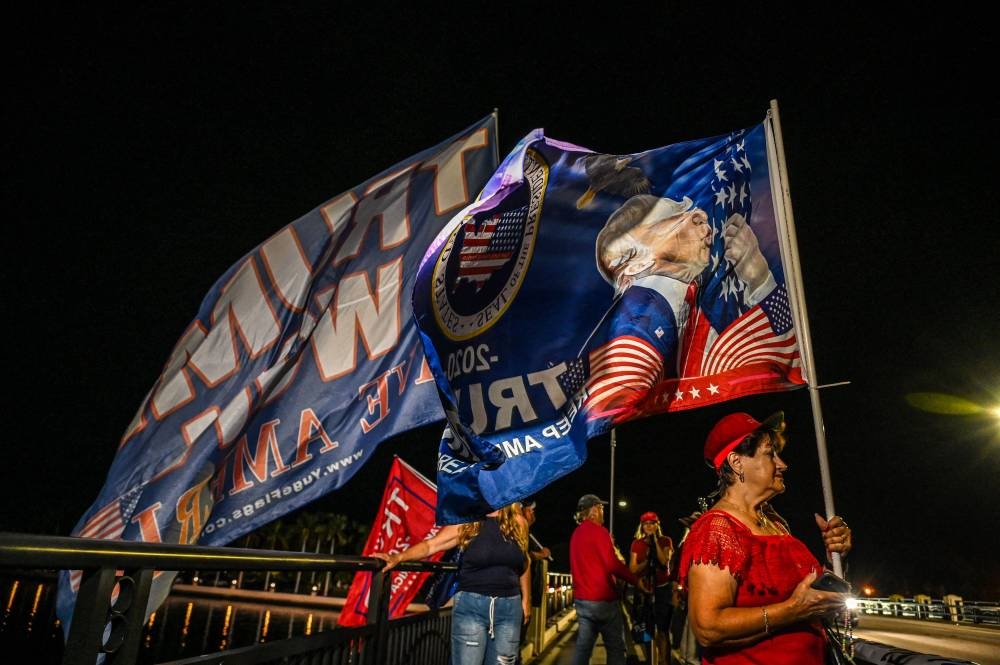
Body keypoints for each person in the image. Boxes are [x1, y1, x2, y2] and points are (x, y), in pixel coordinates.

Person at [677, 411, 853, 664]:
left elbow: (807, 598)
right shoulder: (718, 529)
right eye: (770, 454)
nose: (782, 464)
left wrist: (836, 556)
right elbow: (708, 627)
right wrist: (791, 611)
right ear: (737, 462)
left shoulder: (776, 525)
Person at [585, 194, 778, 424]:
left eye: (686, 208)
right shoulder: (640, 317)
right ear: (637, 263)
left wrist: (759, 277)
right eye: (672, 218)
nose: (700, 214)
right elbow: (611, 403)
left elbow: (766, 356)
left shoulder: (692, 302)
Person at [374, 503, 531, 665]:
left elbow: (525, 562)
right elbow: (431, 545)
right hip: (472, 608)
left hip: (509, 609)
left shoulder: (519, 523)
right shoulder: (469, 523)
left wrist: (526, 600)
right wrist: (399, 557)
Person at [569, 493, 649, 665]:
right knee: (615, 647)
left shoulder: (575, 535)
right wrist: (635, 580)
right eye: (601, 508)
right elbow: (612, 564)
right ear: (594, 510)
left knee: (583, 648)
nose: (603, 511)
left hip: (582, 601)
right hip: (602, 601)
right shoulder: (600, 532)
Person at [628, 511, 674, 665]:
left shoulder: (665, 541)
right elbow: (633, 569)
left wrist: (655, 542)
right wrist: (646, 561)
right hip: (644, 591)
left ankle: (663, 661)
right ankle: (650, 660)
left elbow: (663, 561)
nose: (649, 526)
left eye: (652, 523)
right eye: (646, 524)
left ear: (657, 525)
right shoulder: (637, 544)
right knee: (647, 630)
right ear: (642, 526)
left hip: (662, 590)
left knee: (662, 630)